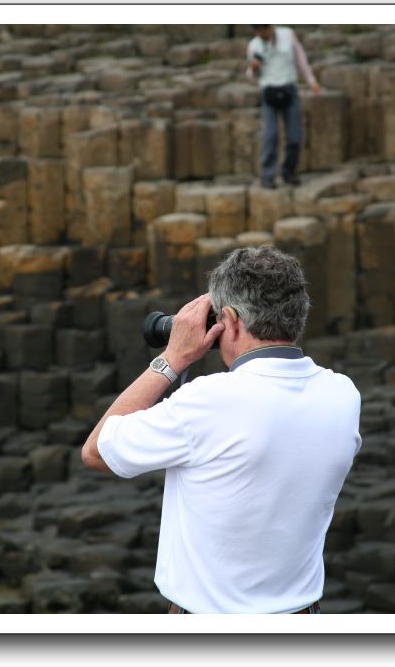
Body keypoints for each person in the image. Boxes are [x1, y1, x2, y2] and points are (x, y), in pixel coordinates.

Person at [81, 245, 361, 614]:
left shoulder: (208, 401)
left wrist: (173, 358)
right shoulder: (342, 394)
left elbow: (96, 451)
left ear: (228, 320)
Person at [246, 25, 322, 189]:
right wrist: (254, 67)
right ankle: (268, 175)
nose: (263, 33)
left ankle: (289, 171)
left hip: (289, 89)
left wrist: (311, 81)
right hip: (269, 92)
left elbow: (300, 59)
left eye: (264, 28)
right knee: (270, 135)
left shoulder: (288, 35)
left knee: (295, 136)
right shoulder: (254, 45)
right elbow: (251, 75)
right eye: (258, 30)